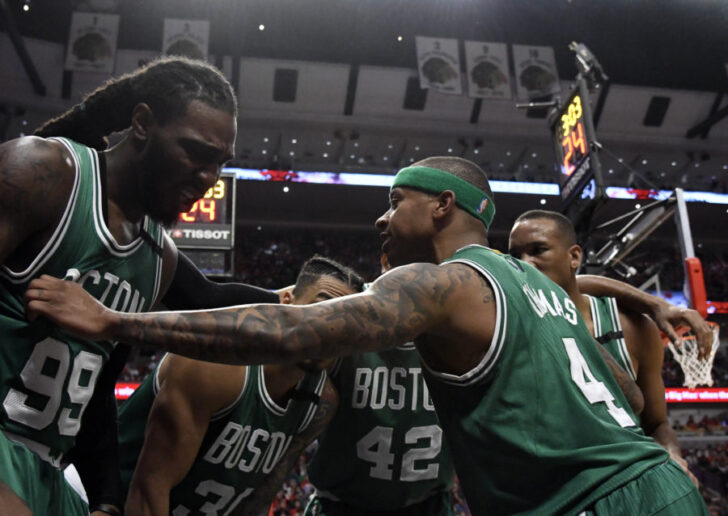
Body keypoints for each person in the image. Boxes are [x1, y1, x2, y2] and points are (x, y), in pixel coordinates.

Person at [26, 156, 709, 515]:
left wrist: (116, 321)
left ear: (443, 207)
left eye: (394, 200)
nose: (382, 220)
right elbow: (630, 397)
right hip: (657, 487)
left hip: (587, 503)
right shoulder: (545, 291)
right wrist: (642, 297)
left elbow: (292, 330)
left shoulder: (442, 285)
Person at [0, 56, 283, 515]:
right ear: (143, 123)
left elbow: (95, 393)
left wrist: (107, 497)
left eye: (220, 163)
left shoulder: (158, 259)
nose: (209, 179)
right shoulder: (45, 172)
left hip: (48, 470)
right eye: (195, 152)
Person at [117, 256, 362, 515]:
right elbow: (149, 487)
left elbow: (259, 496)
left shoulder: (322, 402)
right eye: (319, 310)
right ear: (286, 304)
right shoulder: (216, 365)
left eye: (345, 323)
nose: (332, 330)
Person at [508, 209, 697, 484]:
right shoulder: (509, 324)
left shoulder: (634, 327)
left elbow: (657, 423)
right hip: (554, 488)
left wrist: (673, 455)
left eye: (538, 250)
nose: (526, 263)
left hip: (627, 484)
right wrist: (654, 302)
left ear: (574, 257)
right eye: (515, 256)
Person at [304, 253, 457, 516]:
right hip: (342, 505)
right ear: (385, 263)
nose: (415, 278)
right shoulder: (345, 316)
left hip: (429, 505)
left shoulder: (463, 331)